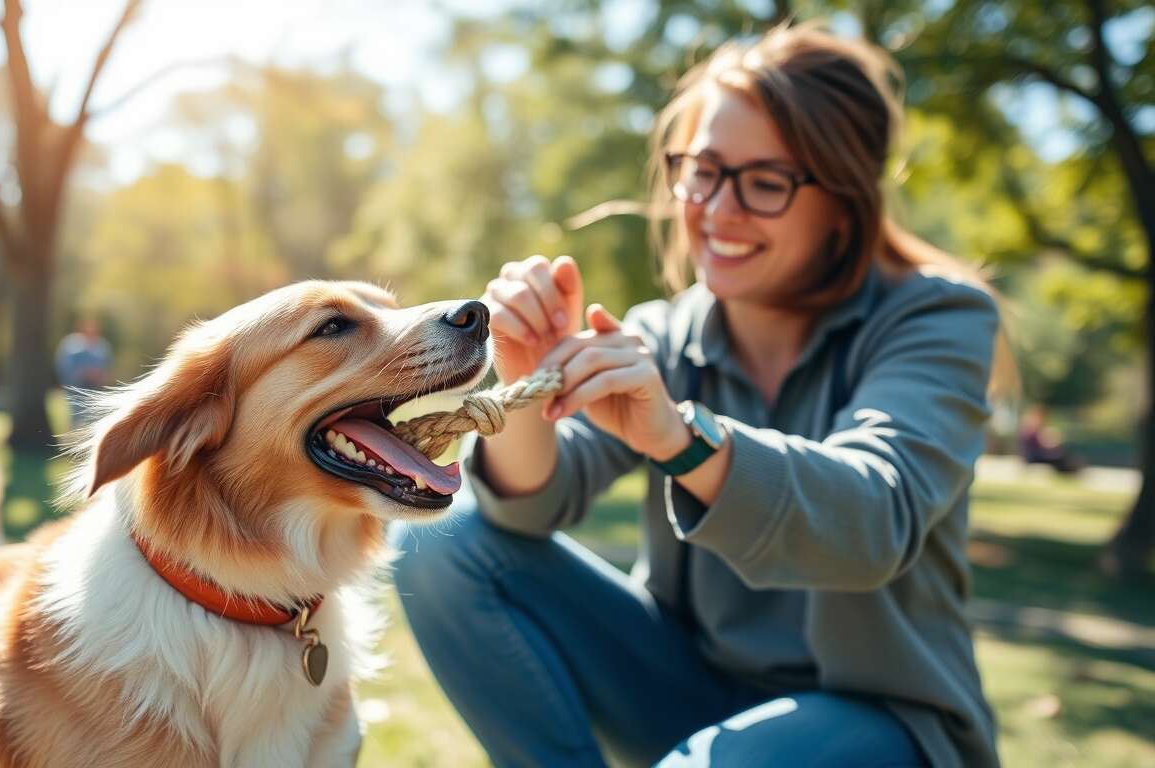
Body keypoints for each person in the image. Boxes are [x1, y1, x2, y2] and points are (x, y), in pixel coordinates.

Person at [391, 22, 1008, 768]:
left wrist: (680, 442)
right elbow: (526, 508)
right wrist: (522, 372)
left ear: (844, 199)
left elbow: (878, 515)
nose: (718, 208)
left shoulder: (938, 316)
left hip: (881, 722)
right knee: (441, 545)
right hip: (683, 693)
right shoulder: (663, 333)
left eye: (766, 181)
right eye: (704, 170)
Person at [55, 314, 112, 430]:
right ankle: (71, 439)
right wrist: (83, 373)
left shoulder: (102, 346)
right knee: (76, 414)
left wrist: (101, 376)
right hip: (77, 387)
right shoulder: (71, 345)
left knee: (94, 417)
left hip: (95, 388)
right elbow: (65, 366)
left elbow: (107, 367)